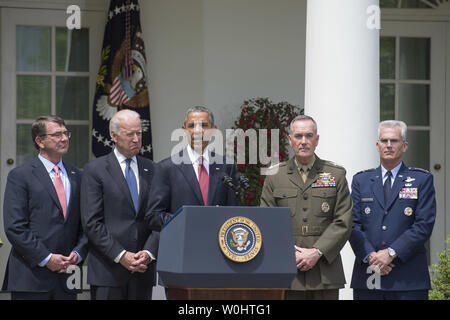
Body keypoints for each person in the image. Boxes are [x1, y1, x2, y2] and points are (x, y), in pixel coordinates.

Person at [260, 115, 352, 300]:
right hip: (287, 269)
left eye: (309, 136)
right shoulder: (274, 176)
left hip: (325, 270)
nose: (303, 141)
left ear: (316, 140)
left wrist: (317, 252)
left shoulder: (335, 174)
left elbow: (343, 221)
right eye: (298, 136)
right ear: (290, 139)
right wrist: (289, 251)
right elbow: (266, 221)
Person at [2, 115, 88, 300]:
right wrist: (47, 258)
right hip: (31, 277)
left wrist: (78, 253)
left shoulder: (78, 176)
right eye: (57, 134)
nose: (64, 138)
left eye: (66, 133)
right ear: (39, 141)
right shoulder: (20, 176)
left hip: (67, 277)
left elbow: (86, 223)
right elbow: (15, 227)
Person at [349, 120, 436, 300]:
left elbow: (424, 225)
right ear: (377, 145)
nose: (389, 145)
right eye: (384, 140)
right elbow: (352, 224)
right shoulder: (361, 181)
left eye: (394, 141)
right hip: (369, 275)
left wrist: (390, 253)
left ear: (404, 146)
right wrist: (372, 257)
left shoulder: (421, 180)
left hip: (408, 280)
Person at [81, 109, 157, 300]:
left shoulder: (153, 169)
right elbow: (92, 222)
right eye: (129, 134)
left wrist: (148, 252)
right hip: (108, 270)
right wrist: (121, 255)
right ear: (114, 136)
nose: (136, 139)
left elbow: (158, 217)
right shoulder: (95, 170)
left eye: (139, 133)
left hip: (142, 270)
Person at [145, 106, 238, 233]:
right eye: (192, 126)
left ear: (214, 130)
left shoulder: (227, 166)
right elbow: (153, 216)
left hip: (218, 245)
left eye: (204, 125)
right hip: (182, 245)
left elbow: (235, 213)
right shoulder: (166, 168)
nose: (198, 131)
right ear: (184, 130)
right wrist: (188, 219)